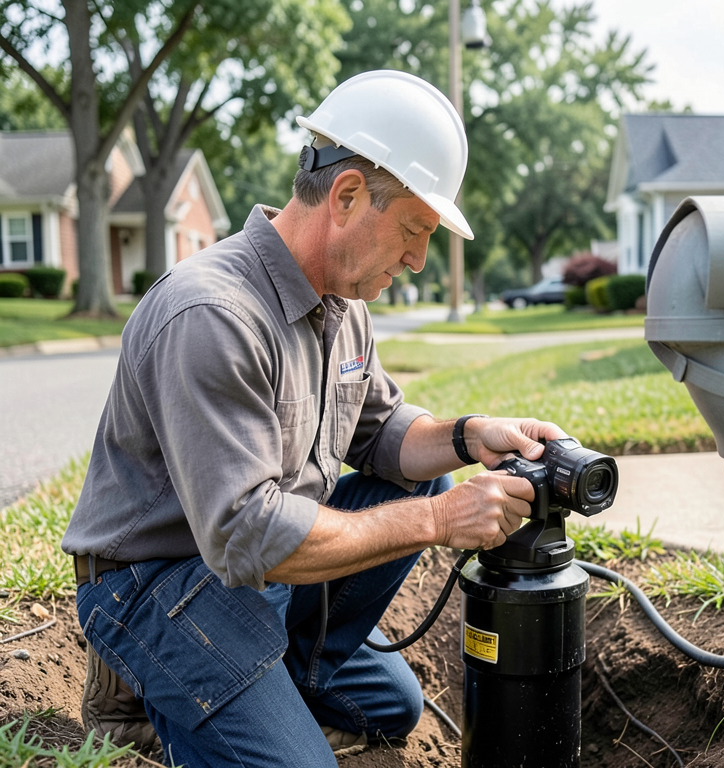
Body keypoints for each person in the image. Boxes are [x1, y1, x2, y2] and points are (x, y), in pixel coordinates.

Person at [62, 70, 567, 767]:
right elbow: (248, 533)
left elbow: (386, 436)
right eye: (414, 232)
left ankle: (269, 676)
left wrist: (468, 436)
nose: (419, 261)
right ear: (348, 195)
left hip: (257, 576)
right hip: (160, 584)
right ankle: (138, 691)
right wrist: (441, 524)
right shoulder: (213, 314)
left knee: (393, 706)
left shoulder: (343, 306)